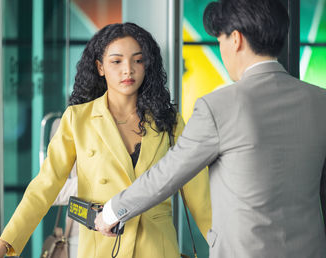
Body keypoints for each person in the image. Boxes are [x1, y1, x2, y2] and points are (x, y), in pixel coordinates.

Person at [95, 1, 326, 257]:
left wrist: (113, 211)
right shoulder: (320, 101)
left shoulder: (219, 106)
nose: (222, 48)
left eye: (220, 39)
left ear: (235, 39)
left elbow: (168, 174)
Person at [0, 22, 212, 258]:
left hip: (157, 249)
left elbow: (198, 194)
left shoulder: (168, 121)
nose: (128, 70)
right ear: (100, 67)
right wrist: (3, 245)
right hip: (102, 248)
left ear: (147, 65)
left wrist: (227, 246)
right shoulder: (78, 119)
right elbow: (44, 187)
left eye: (137, 60)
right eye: (116, 61)